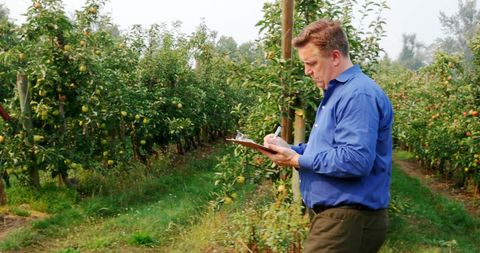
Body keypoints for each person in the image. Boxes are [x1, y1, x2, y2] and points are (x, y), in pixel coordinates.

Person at [259, 19, 393, 253]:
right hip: (338, 221)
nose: (307, 71)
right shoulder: (340, 93)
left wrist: (296, 159)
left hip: (346, 221)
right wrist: (288, 148)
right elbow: (329, 148)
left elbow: (354, 159)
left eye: (311, 63)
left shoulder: (357, 94)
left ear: (334, 57)